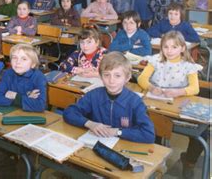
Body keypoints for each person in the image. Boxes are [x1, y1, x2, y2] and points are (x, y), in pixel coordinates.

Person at [138, 31, 204, 176]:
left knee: (203, 133)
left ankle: (189, 161)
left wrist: (179, 92)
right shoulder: (156, 60)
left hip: (178, 106)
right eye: (166, 47)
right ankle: (157, 159)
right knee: (151, 124)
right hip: (157, 104)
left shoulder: (188, 65)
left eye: (174, 47)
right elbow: (141, 79)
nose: (169, 51)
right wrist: (151, 87)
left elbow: (195, 88)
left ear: (182, 48)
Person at [64, 52, 155, 143]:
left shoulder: (135, 102)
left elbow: (148, 134)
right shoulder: (93, 95)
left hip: (123, 147)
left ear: (127, 78)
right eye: (107, 75)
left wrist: (117, 132)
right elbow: (69, 112)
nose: (111, 80)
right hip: (95, 144)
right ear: (101, 77)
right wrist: (90, 124)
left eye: (117, 76)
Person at [0, 43, 47, 178]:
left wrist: (13, 95)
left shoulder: (38, 77)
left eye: (24, 59)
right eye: (14, 58)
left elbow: (40, 105)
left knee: (25, 168)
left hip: (32, 126)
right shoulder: (8, 74)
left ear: (32, 64)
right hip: (10, 123)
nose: (18, 62)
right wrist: (25, 98)